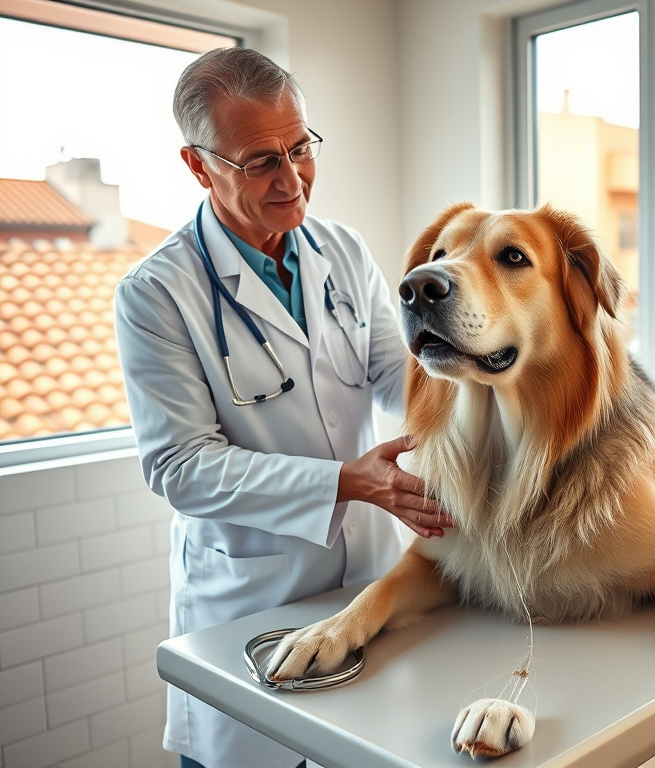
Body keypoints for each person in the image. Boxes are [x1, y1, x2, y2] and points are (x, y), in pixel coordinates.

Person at [114, 47, 453, 768]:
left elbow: (396, 377)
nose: (292, 178)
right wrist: (348, 482)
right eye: (261, 161)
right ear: (199, 166)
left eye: (300, 147)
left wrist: (490, 383)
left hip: (364, 586)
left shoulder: (343, 251)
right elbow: (180, 467)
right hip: (250, 601)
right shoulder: (157, 293)